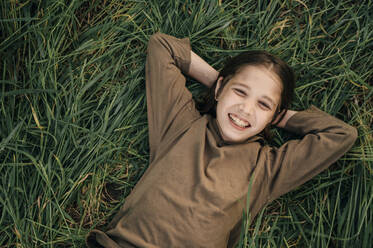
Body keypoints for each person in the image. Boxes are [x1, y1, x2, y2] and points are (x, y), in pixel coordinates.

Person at [86, 33, 357, 248]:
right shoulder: (180, 123)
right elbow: (163, 47)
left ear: (274, 115)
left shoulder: (268, 169)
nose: (246, 110)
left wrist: (279, 117)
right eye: (240, 92)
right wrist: (219, 82)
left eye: (263, 104)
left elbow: (340, 135)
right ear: (220, 89)